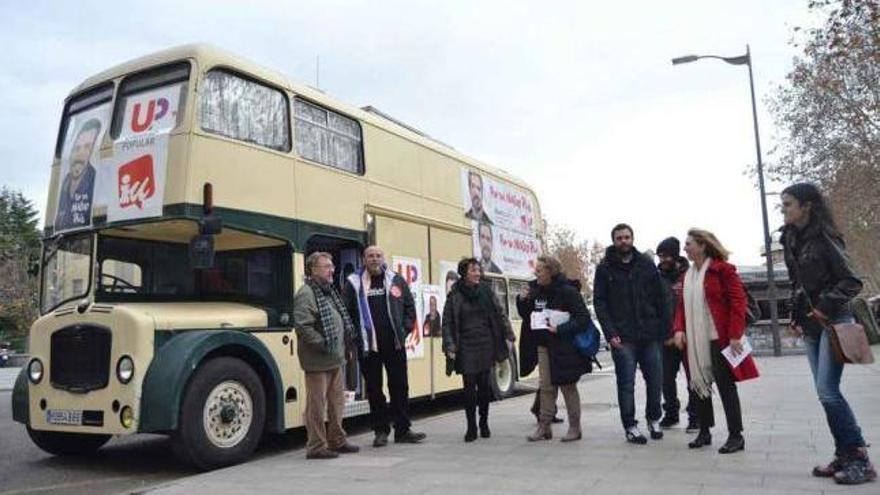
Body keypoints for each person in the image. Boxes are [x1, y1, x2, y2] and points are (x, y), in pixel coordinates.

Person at [779, 183, 875, 485]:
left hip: (834, 320)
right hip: (810, 324)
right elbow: (797, 284)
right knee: (825, 395)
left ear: (806, 206)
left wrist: (822, 307)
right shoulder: (791, 238)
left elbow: (851, 282)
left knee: (828, 391)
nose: (783, 210)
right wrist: (795, 316)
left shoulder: (825, 237)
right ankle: (844, 453)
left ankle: (859, 458)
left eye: (788, 204)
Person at [672, 229, 759, 454]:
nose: (685, 248)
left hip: (720, 338)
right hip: (694, 339)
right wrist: (679, 329)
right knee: (699, 386)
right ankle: (704, 431)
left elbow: (738, 302)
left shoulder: (723, 270)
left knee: (725, 386)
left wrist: (734, 334)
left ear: (702, 245)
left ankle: (735, 435)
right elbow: (681, 307)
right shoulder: (687, 276)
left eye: (689, 244)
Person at [343, 246, 426, 447]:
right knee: (374, 390)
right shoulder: (353, 283)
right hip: (368, 348)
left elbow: (409, 307)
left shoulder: (396, 279)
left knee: (399, 387)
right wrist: (354, 338)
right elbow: (347, 313)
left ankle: (403, 430)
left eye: (378, 256)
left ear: (383, 258)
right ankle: (380, 431)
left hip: (394, 345)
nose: (374, 259)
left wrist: (404, 330)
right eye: (370, 256)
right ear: (364, 259)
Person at [593, 223, 669, 444]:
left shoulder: (646, 264)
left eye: (627, 237)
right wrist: (610, 332)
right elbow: (600, 302)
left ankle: (654, 418)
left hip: (649, 333)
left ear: (632, 239)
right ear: (614, 241)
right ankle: (630, 426)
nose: (623, 241)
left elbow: (660, 297)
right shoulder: (605, 268)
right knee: (626, 383)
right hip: (622, 336)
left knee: (655, 379)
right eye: (619, 238)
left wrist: (664, 329)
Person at [293, 252, 360, 459]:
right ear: (313, 270)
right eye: (326, 267)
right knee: (316, 405)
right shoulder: (306, 293)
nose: (332, 270)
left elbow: (338, 321)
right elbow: (303, 326)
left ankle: (337, 440)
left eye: (332, 266)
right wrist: (323, 344)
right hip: (318, 360)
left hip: (334, 358)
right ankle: (316, 446)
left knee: (336, 403)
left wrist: (343, 346)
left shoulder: (328, 291)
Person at [518, 255, 592, 442]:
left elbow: (583, 318)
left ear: (551, 271)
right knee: (546, 387)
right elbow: (528, 315)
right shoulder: (536, 290)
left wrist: (560, 328)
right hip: (543, 345)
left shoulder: (567, 291)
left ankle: (575, 428)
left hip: (564, 347)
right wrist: (522, 300)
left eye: (540, 269)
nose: (537, 272)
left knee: (568, 386)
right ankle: (544, 427)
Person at [442, 257, 515, 441]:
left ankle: (484, 422)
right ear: (464, 273)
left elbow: (500, 313)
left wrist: (509, 334)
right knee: (469, 387)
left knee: (484, 386)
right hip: (465, 344)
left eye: (478, 270)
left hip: (486, 342)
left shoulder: (486, 291)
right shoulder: (455, 294)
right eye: (473, 270)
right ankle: (471, 426)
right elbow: (447, 322)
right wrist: (450, 345)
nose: (477, 273)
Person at [656, 237, 699, 432]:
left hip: (689, 336)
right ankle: (671, 412)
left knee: (693, 378)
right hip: (665, 337)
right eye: (660, 256)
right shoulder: (656, 278)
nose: (662, 259)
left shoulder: (690, 275)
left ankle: (695, 415)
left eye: (666, 255)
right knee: (666, 378)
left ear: (675, 255)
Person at [55, 118, 101, 231]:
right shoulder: (65, 182)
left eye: (87, 147)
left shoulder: (96, 181)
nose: (80, 154)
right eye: (77, 147)